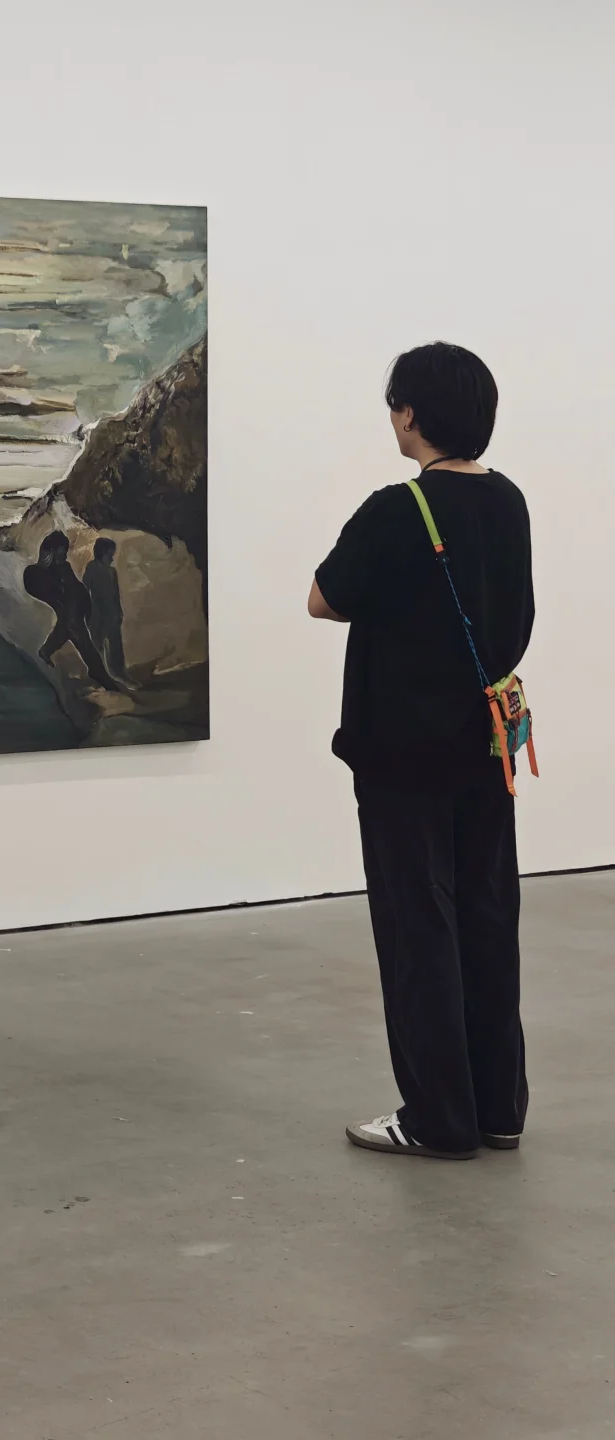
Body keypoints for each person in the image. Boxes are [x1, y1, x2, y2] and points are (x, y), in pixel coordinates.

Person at [308, 342, 534, 1161]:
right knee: (487, 914)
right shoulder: (508, 501)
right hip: (485, 742)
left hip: (403, 750)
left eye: (395, 406)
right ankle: (498, 1110)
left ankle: (438, 1118)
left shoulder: (397, 509)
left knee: (418, 927)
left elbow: (323, 599)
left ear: (409, 414)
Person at [23, 532, 119, 692]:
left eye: (65, 551)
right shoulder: (36, 573)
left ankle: (47, 650)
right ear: (51, 551)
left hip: (73, 613)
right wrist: (67, 598)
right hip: (69, 614)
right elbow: (52, 594)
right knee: (77, 633)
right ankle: (100, 675)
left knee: (70, 627)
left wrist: (86, 604)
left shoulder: (64, 568)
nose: (64, 555)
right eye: (61, 551)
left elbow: (77, 587)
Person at [83, 537, 128, 682]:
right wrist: (86, 612)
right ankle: (100, 675)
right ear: (103, 552)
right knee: (97, 646)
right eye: (110, 554)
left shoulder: (112, 571)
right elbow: (85, 590)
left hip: (112, 614)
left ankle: (119, 673)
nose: (112, 558)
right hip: (96, 614)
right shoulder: (92, 567)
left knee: (115, 645)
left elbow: (116, 595)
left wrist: (119, 612)